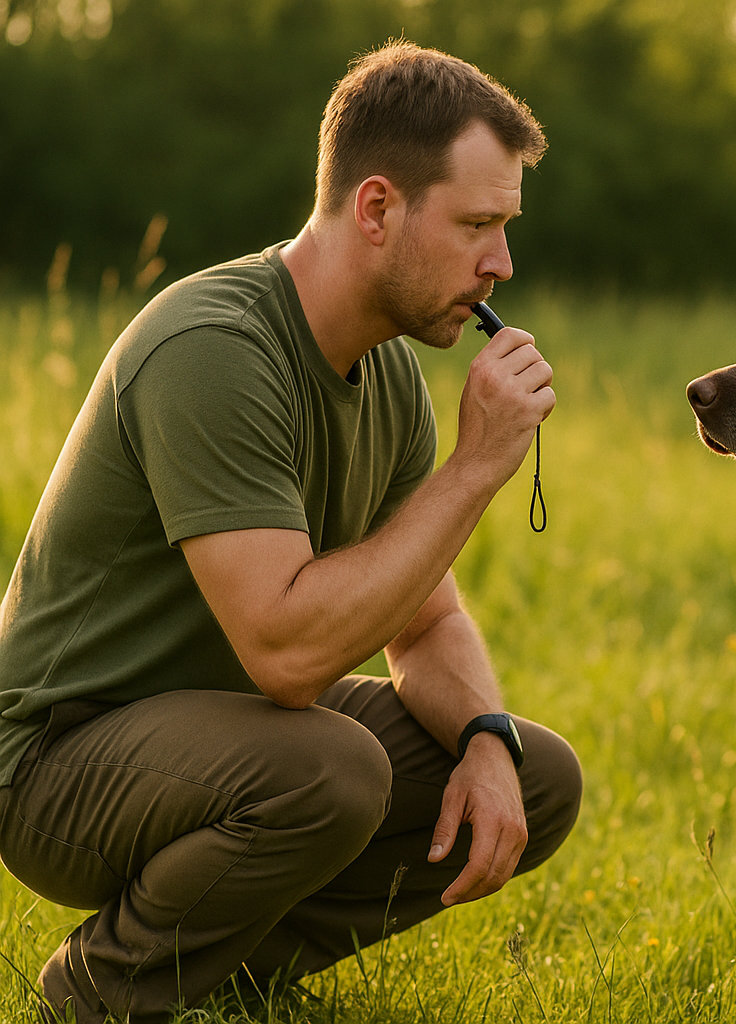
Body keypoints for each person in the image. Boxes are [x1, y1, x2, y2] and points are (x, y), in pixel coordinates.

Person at [0, 40, 581, 1024]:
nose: (502, 264)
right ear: (377, 209)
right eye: (479, 223)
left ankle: (221, 977)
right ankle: (96, 994)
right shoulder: (214, 349)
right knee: (332, 770)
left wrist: (485, 737)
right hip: (58, 760)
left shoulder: (389, 372)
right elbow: (287, 654)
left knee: (537, 774)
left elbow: (427, 622)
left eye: (507, 227)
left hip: (225, 742)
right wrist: (479, 466)